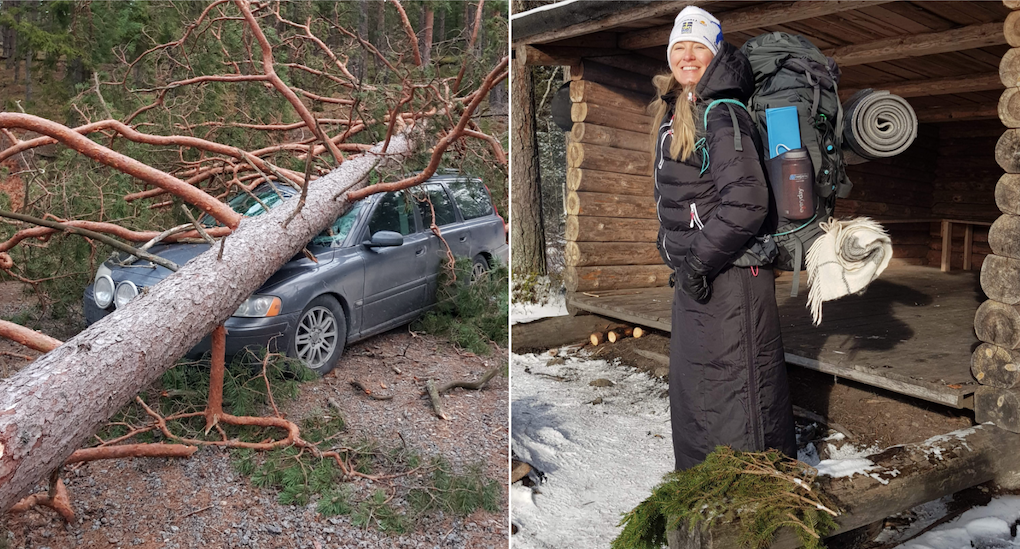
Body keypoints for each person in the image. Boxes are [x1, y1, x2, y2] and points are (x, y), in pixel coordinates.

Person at [650, 5, 797, 471]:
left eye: (698, 47)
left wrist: (696, 262)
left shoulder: (723, 113)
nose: (687, 56)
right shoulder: (680, 109)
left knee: (739, 395)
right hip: (701, 274)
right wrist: (671, 247)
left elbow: (748, 202)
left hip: (732, 278)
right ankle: (704, 495)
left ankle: (753, 505)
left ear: (714, 54)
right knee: (699, 395)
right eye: (679, 47)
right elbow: (686, 193)